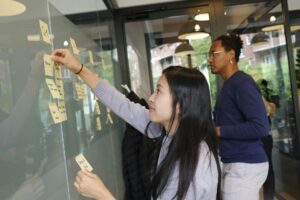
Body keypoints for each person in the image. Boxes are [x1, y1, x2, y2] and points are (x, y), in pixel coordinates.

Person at [51, 48, 220, 200]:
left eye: (159, 91)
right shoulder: (166, 132)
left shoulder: (193, 161)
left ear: (180, 106)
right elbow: (121, 104)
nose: (151, 98)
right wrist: (78, 68)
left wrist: (101, 194)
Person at [208, 34, 269, 200]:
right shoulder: (227, 86)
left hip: (245, 164)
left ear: (231, 55)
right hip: (233, 162)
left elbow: (260, 126)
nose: (210, 59)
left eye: (214, 54)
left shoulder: (242, 83)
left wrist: (219, 131)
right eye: (209, 55)